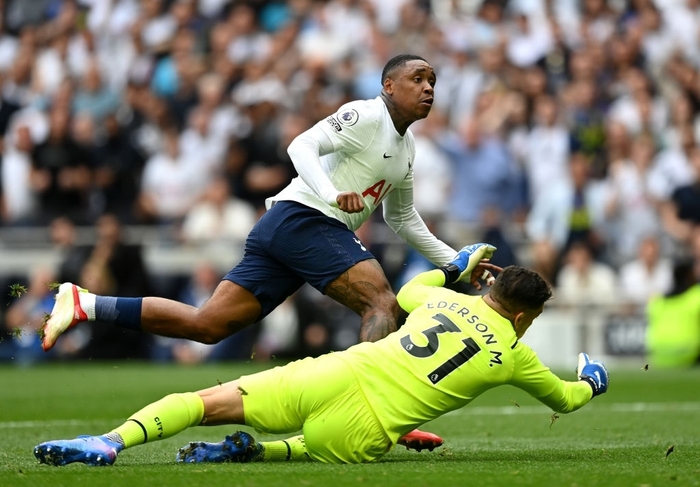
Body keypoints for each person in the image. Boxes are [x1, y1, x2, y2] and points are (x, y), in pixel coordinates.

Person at [40, 54, 496, 450]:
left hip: (288, 228)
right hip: (305, 218)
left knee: (208, 325)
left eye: (433, 80)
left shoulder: (407, 149)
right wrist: (334, 195)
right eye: (418, 78)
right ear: (388, 86)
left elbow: (402, 219)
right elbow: (300, 145)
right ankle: (373, 414)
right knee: (381, 302)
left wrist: (454, 262)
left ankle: (86, 303)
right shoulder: (366, 115)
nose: (429, 87)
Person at [33, 253, 610, 467]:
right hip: (363, 430)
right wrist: (592, 379)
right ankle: (262, 452)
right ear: (522, 317)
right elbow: (566, 400)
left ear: (490, 289)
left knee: (203, 402)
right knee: (326, 445)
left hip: (339, 370)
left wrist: (454, 265)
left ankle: (109, 442)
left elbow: (407, 289)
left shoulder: (442, 299)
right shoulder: (514, 354)